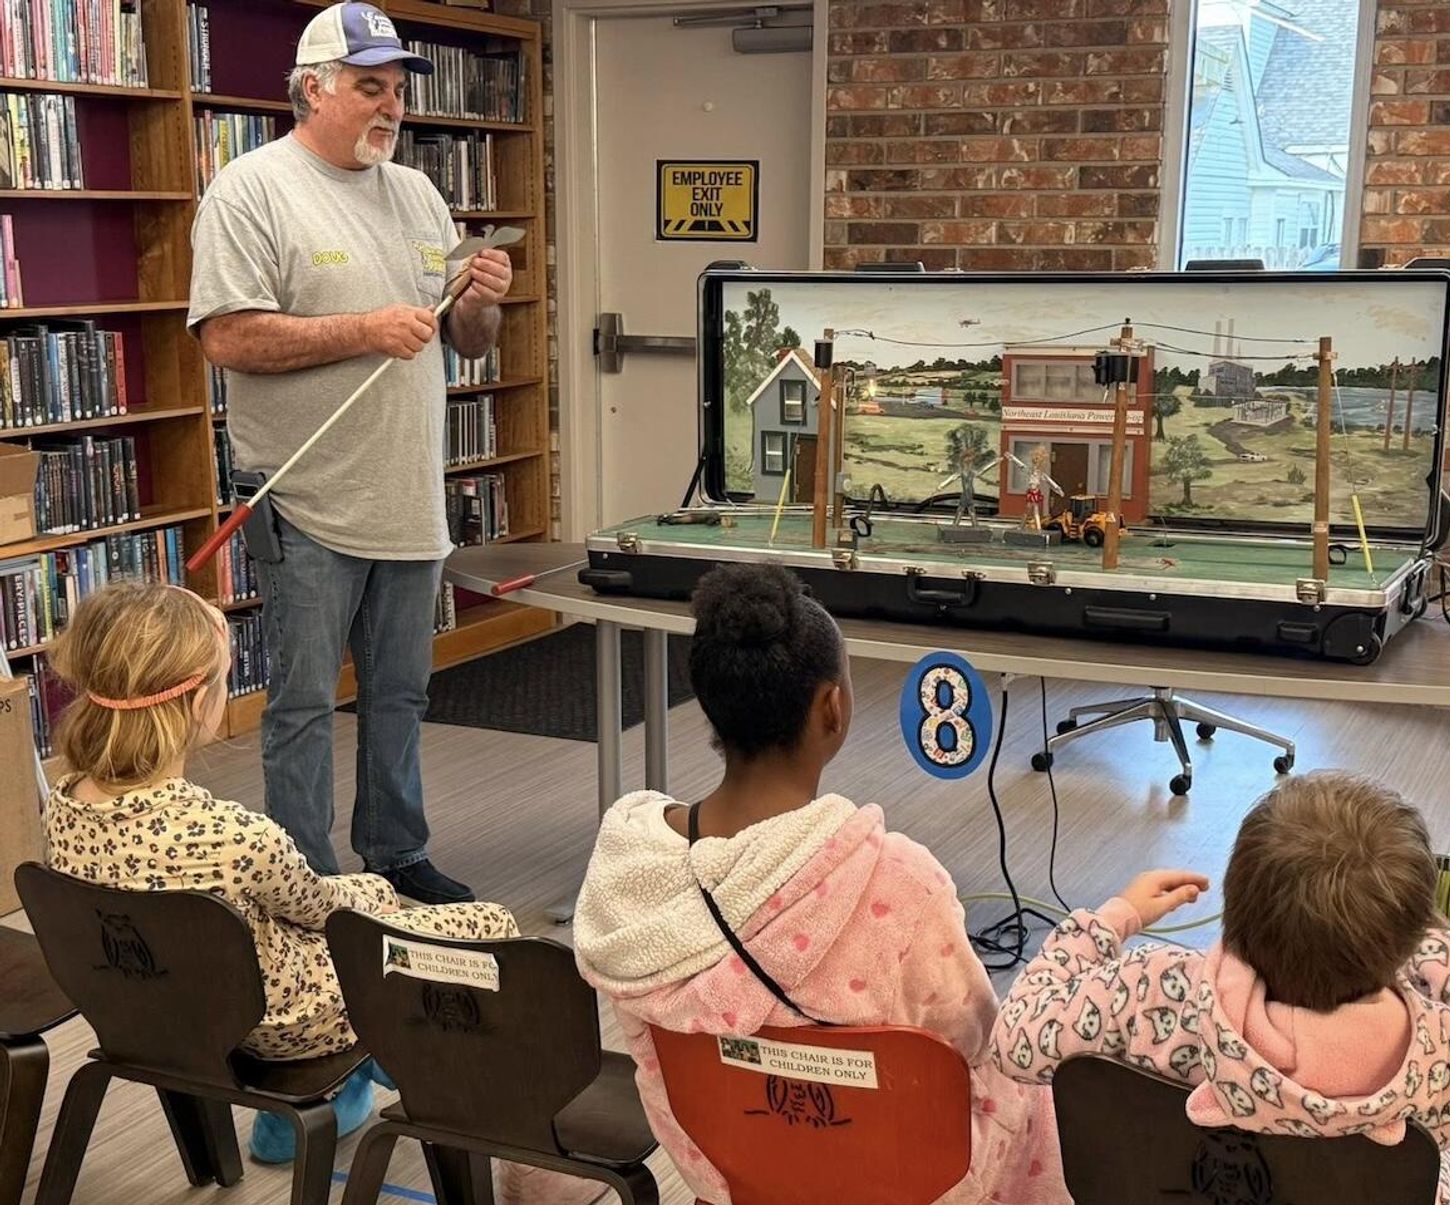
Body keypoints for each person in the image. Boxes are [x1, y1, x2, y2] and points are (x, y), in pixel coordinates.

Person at [572, 562, 1064, 1203]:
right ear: (832, 708)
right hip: (900, 1181)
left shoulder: (633, 871)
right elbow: (975, 1050)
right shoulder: (900, 883)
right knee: (1029, 1073)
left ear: (712, 706)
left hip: (728, 1167)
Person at [187, 1, 513, 903]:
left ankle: (397, 851)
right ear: (312, 89)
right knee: (301, 704)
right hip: (305, 500)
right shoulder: (250, 191)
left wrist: (482, 299)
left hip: (407, 496)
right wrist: (364, 329)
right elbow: (227, 337)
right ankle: (303, 880)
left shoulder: (418, 194)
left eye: (397, 89)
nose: (391, 106)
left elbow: (468, 341)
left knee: (401, 694)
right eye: (370, 87)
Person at [42, 582, 520, 1162]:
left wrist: (372, 893)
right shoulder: (235, 837)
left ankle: (325, 1104)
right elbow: (325, 912)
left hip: (153, 1012)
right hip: (279, 1026)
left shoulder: (62, 807)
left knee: (349, 907)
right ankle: (441, 1088)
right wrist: (379, 892)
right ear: (199, 702)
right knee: (486, 927)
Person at [991, 772, 1450, 1205]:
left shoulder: (1149, 990)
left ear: (1235, 904)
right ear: (1406, 943)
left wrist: (1114, 918)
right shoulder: (1437, 1053)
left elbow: (1013, 1039)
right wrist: (1440, 947)